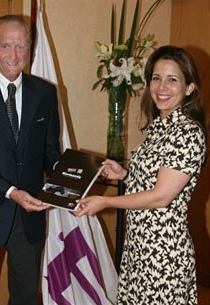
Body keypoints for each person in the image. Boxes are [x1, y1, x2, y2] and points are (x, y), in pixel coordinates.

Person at [76, 45, 208, 305]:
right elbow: (153, 180)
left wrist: (105, 201)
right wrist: (123, 174)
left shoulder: (187, 133)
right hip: (139, 248)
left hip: (162, 256)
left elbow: (161, 197)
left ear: (189, 88)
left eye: (173, 80)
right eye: (156, 78)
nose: (161, 87)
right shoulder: (160, 127)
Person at [0, 15, 60, 305]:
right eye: (6, 46)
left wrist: (71, 179)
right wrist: (11, 192)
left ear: (30, 48)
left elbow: (50, 152)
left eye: (21, 47)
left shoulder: (45, 92)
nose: (13, 55)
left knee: (25, 297)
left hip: (29, 216)